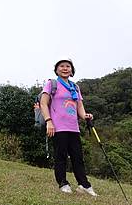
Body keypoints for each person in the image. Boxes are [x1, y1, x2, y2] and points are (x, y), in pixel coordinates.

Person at [39, 59, 97, 197]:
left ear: (72, 70)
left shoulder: (75, 87)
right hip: (58, 127)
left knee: (78, 157)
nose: (65, 68)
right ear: (57, 69)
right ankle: (63, 183)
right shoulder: (52, 84)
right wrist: (49, 121)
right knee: (61, 156)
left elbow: (79, 106)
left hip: (73, 128)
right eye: (61, 66)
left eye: (68, 66)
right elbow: (43, 103)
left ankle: (84, 185)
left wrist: (85, 116)